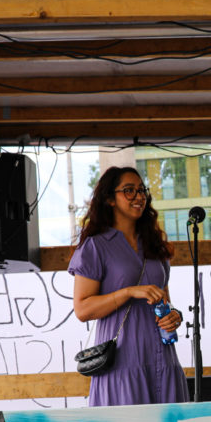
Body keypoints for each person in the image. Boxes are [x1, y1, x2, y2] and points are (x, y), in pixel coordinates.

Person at [70, 166, 188, 407]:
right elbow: (82, 309)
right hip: (122, 364)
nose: (139, 196)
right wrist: (128, 292)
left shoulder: (154, 244)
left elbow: (163, 299)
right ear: (110, 199)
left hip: (163, 360)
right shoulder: (95, 246)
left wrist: (174, 316)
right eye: (129, 190)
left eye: (142, 190)